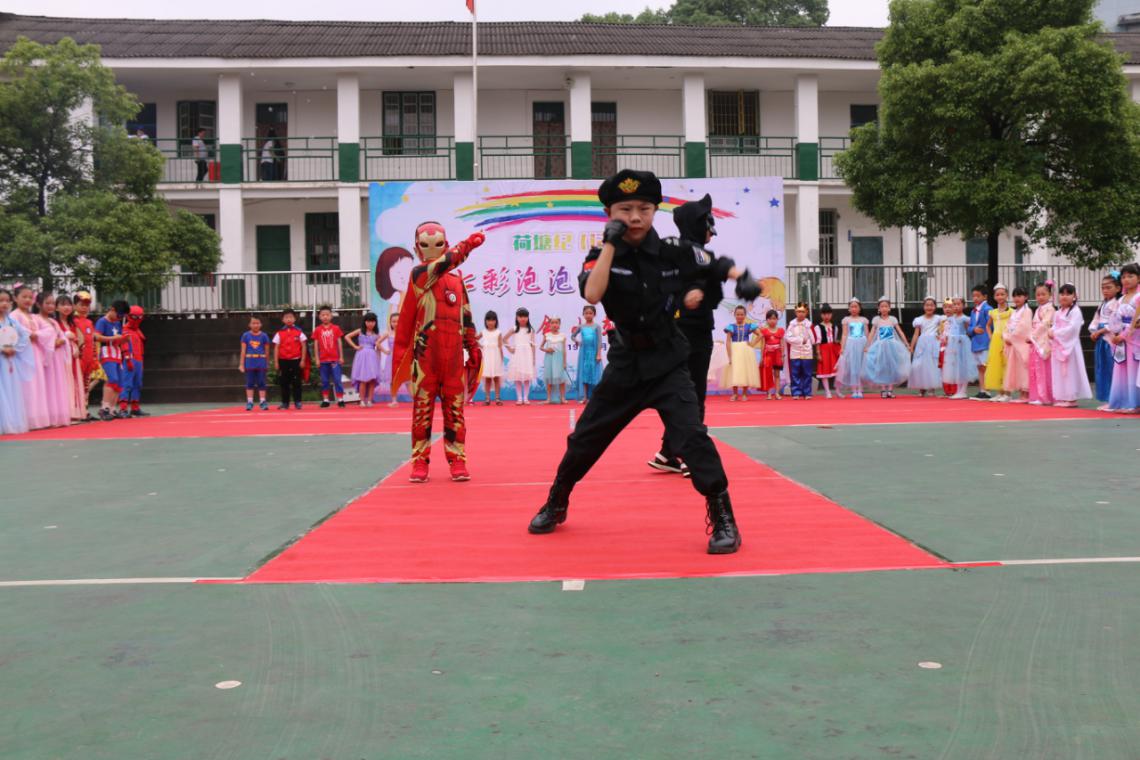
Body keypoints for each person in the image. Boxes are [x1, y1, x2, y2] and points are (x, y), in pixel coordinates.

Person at [527, 169, 745, 554]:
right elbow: (593, 295)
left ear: (655, 211)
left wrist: (742, 277)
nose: (635, 217)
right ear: (609, 213)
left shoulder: (674, 251)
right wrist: (610, 245)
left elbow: (713, 263)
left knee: (692, 437)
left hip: (668, 362)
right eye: (624, 209)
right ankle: (557, 499)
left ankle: (722, 515)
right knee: (585, 439)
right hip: (626, 365)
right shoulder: (600, 256)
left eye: (644, 208)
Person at [649, 193, 758, 472]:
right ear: (698, 224)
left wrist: (741, 276)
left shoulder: (695, 253)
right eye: (709, 224)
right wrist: (738, 276)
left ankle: (668, 453)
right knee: (692, 394)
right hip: (688, 334)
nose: (712, 230)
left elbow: (717, 265)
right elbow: (711, 265)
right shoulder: (683, 249)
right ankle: (690, 453)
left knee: (682, 392)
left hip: (686, 332)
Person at [390, 221, 484, 482]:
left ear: (445, 244)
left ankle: (457, 459)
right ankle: (420, 461)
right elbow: (445, 262)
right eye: (425, 245)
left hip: (453, 359)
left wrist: (472, 347)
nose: (432, 249)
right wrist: (468, 245)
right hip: (425, 360)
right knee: (422, 413)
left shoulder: (457, 281)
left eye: (438, 244)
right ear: (416, 249)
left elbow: (466, 315)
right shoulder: (419, 275)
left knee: (455, 412)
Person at [1049, 283, 1091, 408]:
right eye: (1062, 294)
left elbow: (1072, 329)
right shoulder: (1058, 313)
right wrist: (1051, 331)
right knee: (1060, 372)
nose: (1064, 296)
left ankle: (1071, 398)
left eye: (1068, 294)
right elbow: (1055, 325)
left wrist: (1055, 333)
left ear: (1074, 296)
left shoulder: (1075, 311)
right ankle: (1063, 396)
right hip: (1059, 346)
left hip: (1070, 347)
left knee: (1070, 371)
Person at [1106, 263, 1140, 413]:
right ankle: (1123, 401)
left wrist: (1124, 335)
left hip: (1135, 338)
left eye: (1130, 276)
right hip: (1121, 339)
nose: (1126, 279)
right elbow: (1115, 319)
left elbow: (1137, 321)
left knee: (1134, 369)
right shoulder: (1121, 299)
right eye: (1124, 277)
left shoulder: (1139, 297)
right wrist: (1114, 334)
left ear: (1138, 278)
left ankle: (1135, 403)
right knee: (1122, 369)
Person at [862, 297, 910, 398]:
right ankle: (883, 389)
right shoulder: (876, 320)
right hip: (880, 347)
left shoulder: (892, 319)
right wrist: (867, 346)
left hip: (892, 346)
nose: (884, 308)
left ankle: (890, 390)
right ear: (879, 308)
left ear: (889, 308)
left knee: (892, 367)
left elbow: (900, 332)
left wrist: (906, 343)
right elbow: (872, 333)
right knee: (881, 367)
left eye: (886, 306)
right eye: (882, 306)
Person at [0, 289, 33, 435]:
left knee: (10, 390)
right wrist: (2, 348)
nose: (4, 303)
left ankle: (10, 422)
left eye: (7, 301)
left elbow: (25, 335)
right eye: (1, 300)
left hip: (9, 361)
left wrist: (15, 348)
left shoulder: (12, 322)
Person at [93, 299, 132, 422]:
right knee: (112, 379)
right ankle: (104, 408)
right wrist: (113, 338)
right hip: (106, 352)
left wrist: (124, 340)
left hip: (116, 353)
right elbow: (96, 336)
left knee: (119, 382)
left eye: (122, 317)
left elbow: (118, 339)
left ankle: (112, 409)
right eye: (119, 315)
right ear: (112, 310)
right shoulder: (102, 321)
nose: (120, 318)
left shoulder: (117, 323)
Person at [1088, 273, 1122, 407]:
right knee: (1102, 368)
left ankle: (1114, 399)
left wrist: (1101, 331)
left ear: (1118, 288)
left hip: (1110, 340)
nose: (1105, 290)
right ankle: (1108, 399)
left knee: (1111, 369)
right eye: (1103, 288)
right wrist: (1093, 331)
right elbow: (1096, 319)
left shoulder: (1117, 303)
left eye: (1108, 287)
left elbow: (1115, 322)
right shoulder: (1102, 304)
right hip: (1101, 340)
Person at [54, 295, 87, 421]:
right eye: (63, 305)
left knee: (74, 381)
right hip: (61, 357)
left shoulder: (72, 323)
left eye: (68, 304)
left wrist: (77, 347)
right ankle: (64, 412)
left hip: (73, 357)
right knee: (63, 383)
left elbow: (80, 339)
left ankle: (74, 411)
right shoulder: (54, 323)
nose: (66, 307)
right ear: (56, 308)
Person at [721, 305, 760, 401]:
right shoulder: (731, 327)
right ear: (734, 315)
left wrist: (752, 344)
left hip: (746, 351)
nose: (740, 316)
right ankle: (735, 394)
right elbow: (728, 342)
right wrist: (729, 356)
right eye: (738, 314)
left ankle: (744, 394)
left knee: (745, 371)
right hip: (735, 350)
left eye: (742, 314)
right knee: (734, 371)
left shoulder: (749, 326)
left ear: (745, 315)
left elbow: (760, 335)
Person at [1001, 286, 1032, 403]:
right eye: (1014, 296)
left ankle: (1026, 394)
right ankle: (1021, 393)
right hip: (1014, 344)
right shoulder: (1014, 312)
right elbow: (1007, 326)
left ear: (1026, 297)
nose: (1016, 298)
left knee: (1023, 369)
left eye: (1019, 296)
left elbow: (1024, 327)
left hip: (1022, 344)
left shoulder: (1027, 311)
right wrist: (1006, 336)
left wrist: (1011, 337)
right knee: (1016, 369)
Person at [311, 306, 346, 408]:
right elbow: (315, 345)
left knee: (337, 379)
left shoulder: (336, 328)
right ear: (319, 317)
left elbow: (339, 343)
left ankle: (340, 399)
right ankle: (326, 399)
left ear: (331, 316)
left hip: (335, 360)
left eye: (327, 315)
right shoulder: (317, 330)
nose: (325, 317)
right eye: (323, 315)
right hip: (323, 360)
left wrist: (341, 357)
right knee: (325, 380)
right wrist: (317, 359)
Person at [1027, 281, 1056, 406]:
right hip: (1037, 342)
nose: (1040, 297)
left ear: (1050, 295)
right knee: (1037, 370)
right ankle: (1039, 395)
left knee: (1044, 370)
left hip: (1044, 342)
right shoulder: (1039, 309)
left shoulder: (1050, 309)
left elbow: (1045, 324)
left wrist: (1032, 336)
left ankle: (1045, 396)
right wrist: (1031, 335)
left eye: (1043, 294)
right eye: (1038, 295)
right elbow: (1034, 325)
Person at [908, 297, 943, 396]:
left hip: (934, 343)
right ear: (923, 306)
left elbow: (941, 330)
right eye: (927, 305)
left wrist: (940, 337)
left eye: (931, 305)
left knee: (933, 365)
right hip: (922, 344)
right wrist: (912, 346)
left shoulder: (938, 319)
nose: (929, 307)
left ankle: (931, 387)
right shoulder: (919, 320)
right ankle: (922, 387)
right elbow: (916, 334)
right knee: (920, 365)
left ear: (935, 307)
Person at [273, 308, 307, 410]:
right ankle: (285, 403)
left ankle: (298, 402)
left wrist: (303, 360)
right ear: (283, 320)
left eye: (291, 317)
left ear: (294, 319)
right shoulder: (279, 333)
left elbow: (304, 346)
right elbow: (276, 348)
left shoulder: (299, 332)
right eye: (286, 317)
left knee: (297, 382)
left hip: (296, 361)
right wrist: (276, 362)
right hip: (283, 361)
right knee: (284, 383)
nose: (289, 319)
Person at [346, 313, 382, 408]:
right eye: (368, 321)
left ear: (375, 322)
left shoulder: (377, 335)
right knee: (363, 379)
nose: (370, 323)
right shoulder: (360, 331)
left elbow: (378, 348)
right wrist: (355, 346)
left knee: (372, 380)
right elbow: (347, 336)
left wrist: (379, 360)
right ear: (365, 322)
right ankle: (362, 400)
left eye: (373, 321)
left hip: (372, 357)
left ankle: (369, 400)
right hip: (362, 357)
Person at [118, 305, 148, 417]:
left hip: (138, 360)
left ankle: (135, 408)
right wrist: (127, 359)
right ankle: (123, 409)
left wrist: (141, 362)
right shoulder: (125, 330)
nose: (137, 320)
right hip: (129, 360)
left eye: (140, 317)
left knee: (138, 384)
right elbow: (124, 346)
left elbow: (141, 348)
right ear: (129, 317)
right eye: (135, 317)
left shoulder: (138, 331)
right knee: (127, 384)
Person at [72, 291, 98, 418]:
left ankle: (85, 411)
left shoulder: (89, 322)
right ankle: (76, 410)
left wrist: (94, 357)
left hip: (88, 359)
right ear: (74, 305)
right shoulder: (73, 321)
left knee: (86, 386)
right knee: (77, 385)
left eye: (87, 305)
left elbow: (92, 341)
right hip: (79, 359)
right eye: (81, 304)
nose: (84, 307)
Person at [836, 298, 869, 398]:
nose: (854, 309)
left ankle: (860, 389)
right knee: (852, 367)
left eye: (856, 307)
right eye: (852, 307)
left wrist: (868, 346)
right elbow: (844, 334)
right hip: (851, 344)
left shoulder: (863, 320)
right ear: (849, 309)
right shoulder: (846, 320)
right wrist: (842, 347)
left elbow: (867, 334)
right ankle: (854, 389)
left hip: (862, 343)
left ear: (859, 308)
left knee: (861, 367)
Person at [984, 284, 1012, 397]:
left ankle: (1008, 393)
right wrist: (991, 336)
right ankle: (1000, 392)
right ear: (994, 297)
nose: (1000, 297)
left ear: (1007, 295)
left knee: (1007, 364)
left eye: (1002, 294)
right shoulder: (993, 312)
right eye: (997, 295)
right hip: (996, 341)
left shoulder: (1012, 312)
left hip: (1007, 340)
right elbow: (987, 325)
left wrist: (1010, 336)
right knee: (997, 365)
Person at [571, 305, 603, 404]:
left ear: (594, 314)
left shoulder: (597, 326)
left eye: (590, 313)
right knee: (584, 374)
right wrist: (577, 341)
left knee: (594, 375)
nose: (588, 315)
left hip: (594, 353)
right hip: (584, 353)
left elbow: (599, 341)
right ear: (583, 314)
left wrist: (598, 354)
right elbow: (572, 336)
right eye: (586, 313)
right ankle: (584, 397)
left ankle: (594, 397)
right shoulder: (581, 326)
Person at [504, 307, 536, 405]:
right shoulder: (514, 329)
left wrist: (533, 358)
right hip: (517, 355)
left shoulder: (531, 330)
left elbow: (533, 345)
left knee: (527, 377)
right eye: (520, 316)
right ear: (517, 318)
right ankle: (519, 398)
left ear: (528, 317)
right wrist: (510, 349)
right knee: (517, 377)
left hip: (527, 355)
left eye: (525, 316)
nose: (523, 318)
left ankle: (525, 398)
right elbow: (504, 339)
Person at [239, 316, 271, 411]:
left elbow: (267, 351)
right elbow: (243, 351)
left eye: (257, 323)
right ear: (249, 325)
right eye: (253, 323)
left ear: (261, 324)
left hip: (261, 362)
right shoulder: (245, 335)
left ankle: (262, 401)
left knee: (261, 382)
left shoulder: (264, 336)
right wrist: (241, 364)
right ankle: (250, 402)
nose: (255, 325)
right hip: (250, 362)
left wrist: (267, 363)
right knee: (250, 383)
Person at [785, 302, 815, 399]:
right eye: (799, 312)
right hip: (795, 352)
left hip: (807, 352)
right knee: (795, 373)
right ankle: (796, 392)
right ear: (795, 312)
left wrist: (807, 341)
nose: (801, 314)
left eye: (803, 312)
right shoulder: (792, 324)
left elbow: (814, 339)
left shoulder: (809, 325)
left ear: (806, 312)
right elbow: (787, 337)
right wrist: (800, 340)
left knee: (807, 373)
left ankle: (807, 393)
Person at [968, 285, 993, 398]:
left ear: (985, 297)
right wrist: (974, 329)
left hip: (985, 342)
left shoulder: (988, 309)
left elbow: (991, 326)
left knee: (985, 366)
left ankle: (987, 390)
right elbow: (969, 328)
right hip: (975, 342)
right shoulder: (973, 311)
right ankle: (982, 390)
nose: (975, 298)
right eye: (973, 296)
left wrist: (989, 337)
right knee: (979, 367)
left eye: (978, 296)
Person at [813, 304, 840, 399]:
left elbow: (835, 339)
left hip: (833, 350)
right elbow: (817, 342)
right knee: (824, 370)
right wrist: (818, 353)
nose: (826, 316)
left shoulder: (835, 326)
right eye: (824, 314)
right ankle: (827, 391)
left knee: (837, 371)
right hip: (823, 350)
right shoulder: (818, 327)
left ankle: (838, 391)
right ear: (821, 315)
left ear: (831, 314)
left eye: (828, 314)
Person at [478, 311, 504, 406]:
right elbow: (475, 339)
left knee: (496, 378)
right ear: (485, 321)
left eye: (493, 320)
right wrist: (481, 346)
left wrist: (501, 358)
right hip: (487, 358)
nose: (491, 322)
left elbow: (500, 346)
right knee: (487, 378)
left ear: (496, 321)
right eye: (488, 320)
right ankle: (487, 398)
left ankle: (497, 398)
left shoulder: (498, 332)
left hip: (496, 357)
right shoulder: (483, 332)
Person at [757, 309, 785, 400]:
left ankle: (777, 393)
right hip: (767, 355)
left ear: (777, 319)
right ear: (767, 320)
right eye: (770, 319)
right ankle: (769, 393)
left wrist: (782, 356)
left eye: (774, 318)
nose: (772, 321)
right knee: (768, 375)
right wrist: (761, 357)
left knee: (777, 374)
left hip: (777, 355)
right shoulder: (764, 331)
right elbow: (763, 344)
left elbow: (782, 343)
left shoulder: (780, 330)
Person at [541, 317, 567, 404]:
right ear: (549, 324)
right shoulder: (547, 335)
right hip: (549, 359)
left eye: (556, 323)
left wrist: (564, 362)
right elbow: (541, 347)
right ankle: (548, 398)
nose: (554, 325)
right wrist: (546, 350)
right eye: (552, 323)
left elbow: (564, 350)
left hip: (559, 359)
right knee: (549, 378)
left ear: (559, 324)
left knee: (561, 379)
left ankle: (562, 398)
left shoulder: (562, 336)